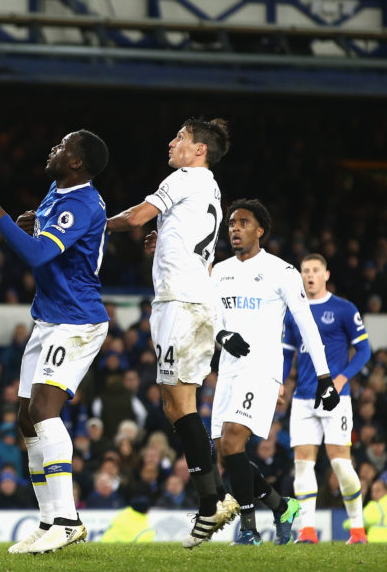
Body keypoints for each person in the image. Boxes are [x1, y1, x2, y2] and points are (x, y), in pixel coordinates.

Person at [0, 129, 110, 554]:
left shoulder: (81, 202)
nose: (55, 148)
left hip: (76, 321)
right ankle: (49, 520)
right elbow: (45, 242)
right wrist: (32, 224)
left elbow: (36, 256)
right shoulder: (57, 191)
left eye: (63, 146)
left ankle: (68, 520)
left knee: (46, 411)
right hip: (49, 318)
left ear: (77, 163)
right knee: (26, 419)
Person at [106, 117, 237, 549]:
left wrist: (89, 225)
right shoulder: (210, 187)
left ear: (198, 150)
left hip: (182, 304)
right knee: (174, 404)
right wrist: (161, 242)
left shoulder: (185, 176)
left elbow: (136, 217)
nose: (172, 142)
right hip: (187, 300)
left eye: (180, 137)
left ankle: (210, 503)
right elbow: (183, 235)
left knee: (179, 405)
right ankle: (215, 497)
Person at [210, 199, 340, 546]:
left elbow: (306, 323)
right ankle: (281, 507)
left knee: (235, 439)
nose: (235, 228)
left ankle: (249, 529)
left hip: (262, 368)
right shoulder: (219, 271)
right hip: (229, 370)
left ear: (260, 230)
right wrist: (221, 335)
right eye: (232, 223)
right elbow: (210, 320)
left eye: (243, 222)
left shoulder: (281, 272)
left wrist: (324, 376)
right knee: (225, 451)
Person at [283, 253, 372, 545]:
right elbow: (286, 354)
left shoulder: (344, 309)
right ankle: (307, 531)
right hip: (303, 398)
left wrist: (342, 379)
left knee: (341, 465)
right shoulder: (293, 310)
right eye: (305, 270)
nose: (309, 275)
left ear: (326, 275)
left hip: (336, 399)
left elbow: (364, 351)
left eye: (314, 270)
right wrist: (281, 385)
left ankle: (357, 531)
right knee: (303, 465)